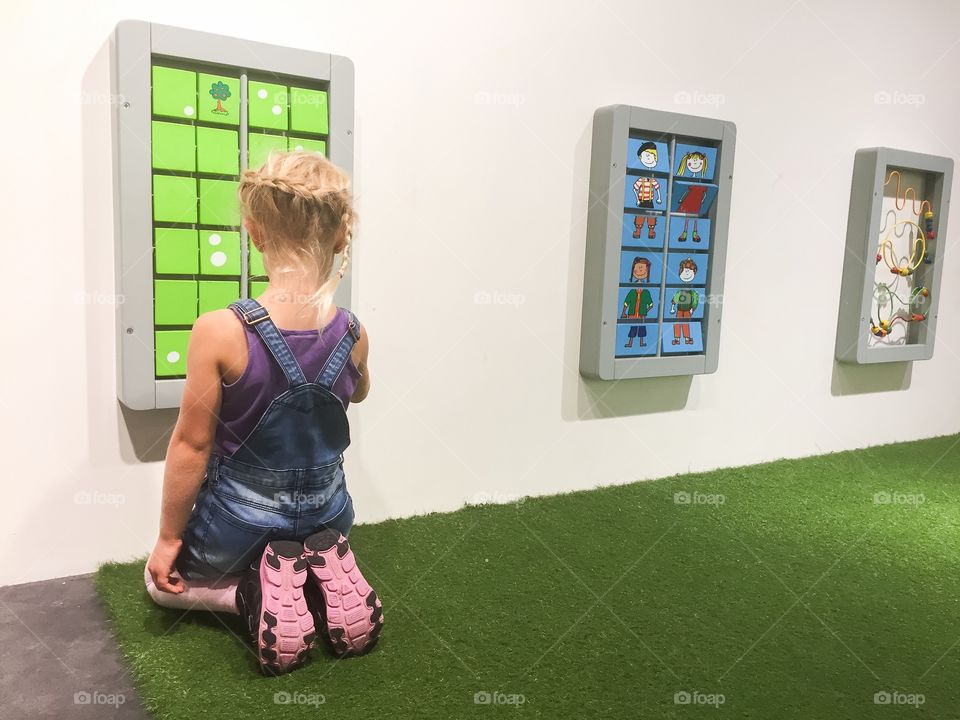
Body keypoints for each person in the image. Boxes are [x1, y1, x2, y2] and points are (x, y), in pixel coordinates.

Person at [144, 151, 383, 675]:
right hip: (329, 518)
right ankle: (317, 578)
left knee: (157, 587)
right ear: (343, 238)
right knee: (316, 526)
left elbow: (192, 444)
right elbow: (358, 395)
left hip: (238, 529)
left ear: (253, 234)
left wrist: (167, 541)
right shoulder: (353, 332)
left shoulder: (220, 331)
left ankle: (252, 594)